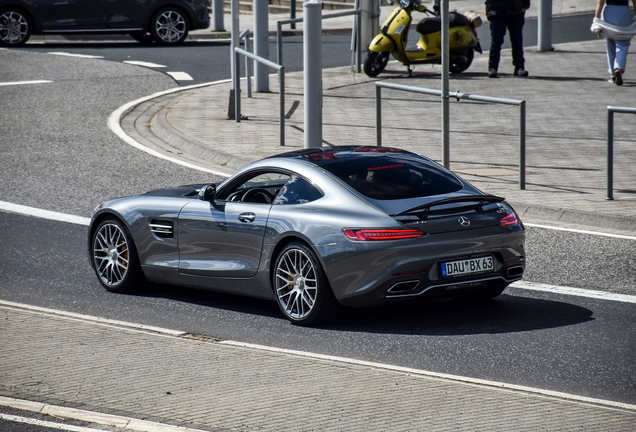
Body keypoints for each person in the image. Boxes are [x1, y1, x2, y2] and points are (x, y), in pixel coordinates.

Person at [485, 0, 530, 78]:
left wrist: (525, 6)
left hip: (516, 11)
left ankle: (519, 67)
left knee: (517, 41)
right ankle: (493, 68)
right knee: (496, 42)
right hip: (497, 12)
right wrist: (490, 12)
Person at [595, 0, 636, 86]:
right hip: (624, 11)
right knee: (623, 43)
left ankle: (613, 74)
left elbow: (600, 2)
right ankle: (619, 67)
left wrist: (596, 19)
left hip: (608, 11)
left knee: (609, 43)